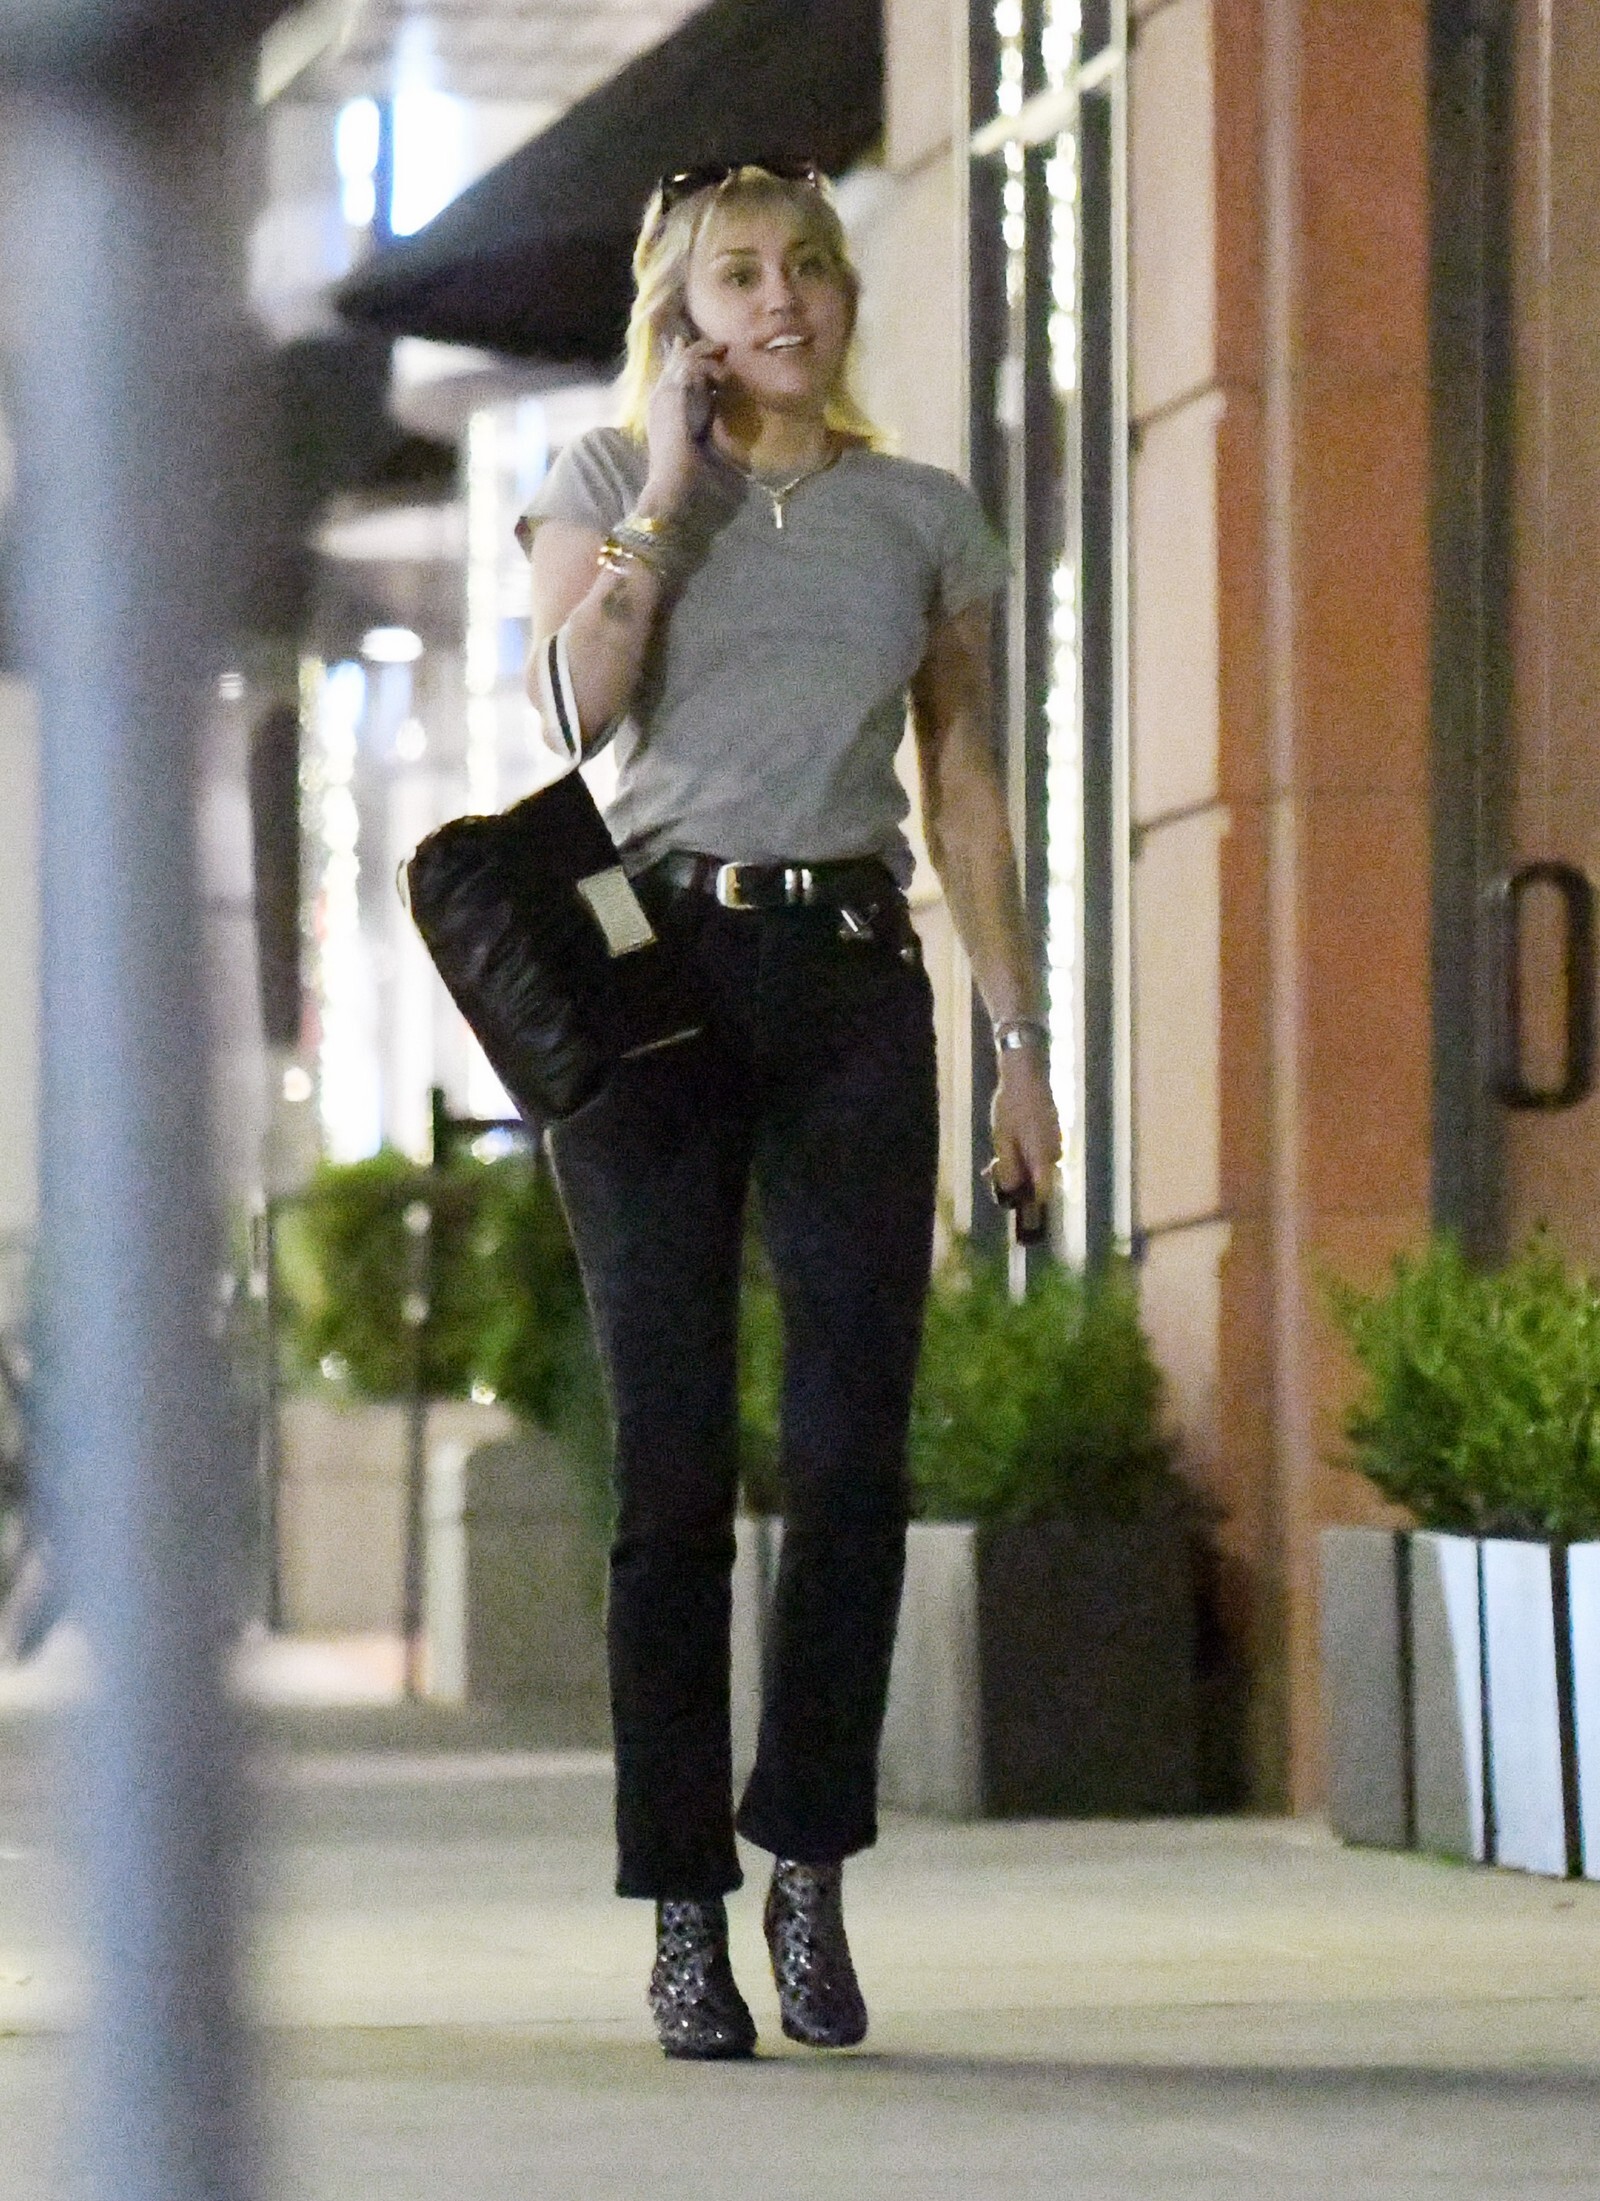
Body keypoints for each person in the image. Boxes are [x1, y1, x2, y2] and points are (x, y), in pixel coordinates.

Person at [519, 161, 1060, 2060]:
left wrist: (1020, 1039)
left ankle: (808, 1863)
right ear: (682, 313)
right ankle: (684, 1911)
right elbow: (573, 713)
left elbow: (967, 786)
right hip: (650, 982)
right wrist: (667, 491)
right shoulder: (606, 478)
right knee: (673, 1471)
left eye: (809, 267)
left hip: (848, 977)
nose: (783, 298)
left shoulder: (921, 514)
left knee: (849, 1458)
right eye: (740, 273)